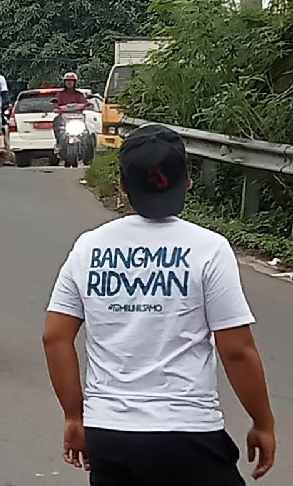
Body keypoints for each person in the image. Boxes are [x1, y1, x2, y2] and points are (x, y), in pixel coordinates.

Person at [43, 124, 276, 486]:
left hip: (110, 434)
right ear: (186, 182)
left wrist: (74, 417)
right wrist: (263, 422)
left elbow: (55, 337)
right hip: (188, 434)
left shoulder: (88, 248)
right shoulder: (209, 249)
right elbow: (237, 351)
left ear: (122, 185)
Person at [53, 72, 90, 154]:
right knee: (56, 123)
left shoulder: (79, 94)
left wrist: (87, 106)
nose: (69, 82)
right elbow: (56, 105)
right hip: (64, 118)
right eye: (67, 81)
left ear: (75, 82)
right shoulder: (60, 94)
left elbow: (86, 103)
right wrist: (57, 108)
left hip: (78, 118)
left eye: (71, 80)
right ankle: (59, 144)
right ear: (64, 82)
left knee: (88, 132)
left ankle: (88, 150)